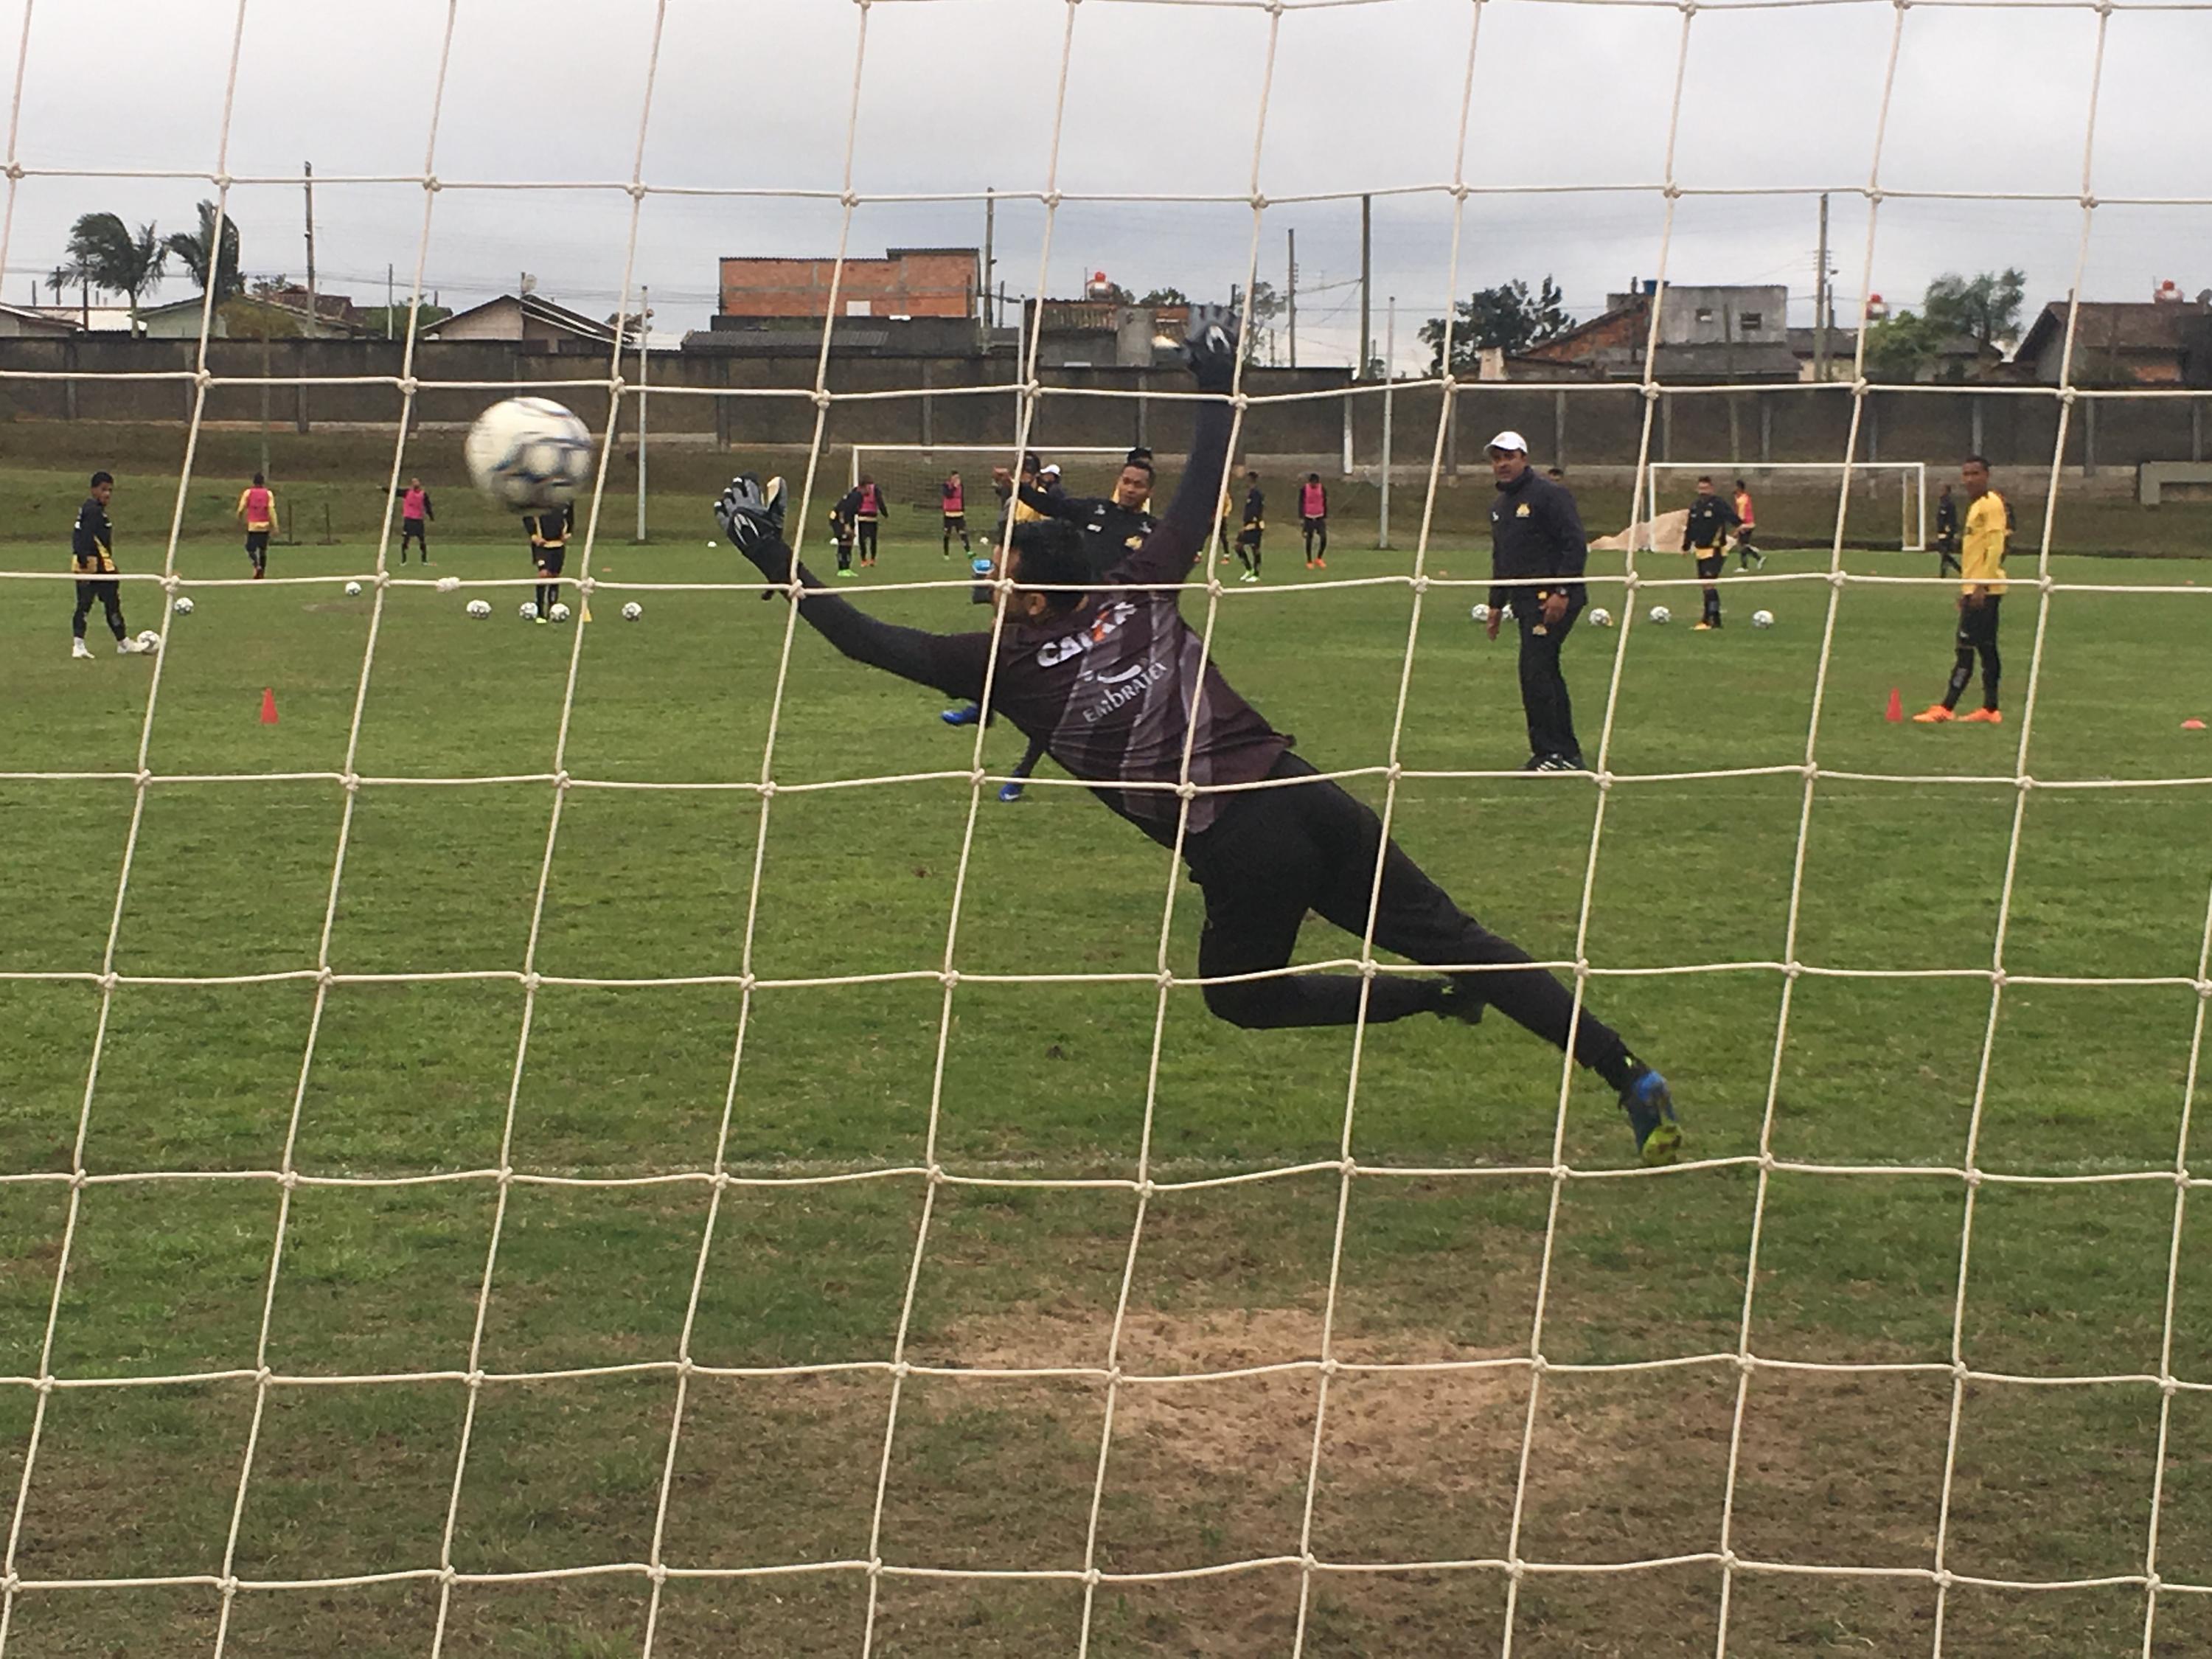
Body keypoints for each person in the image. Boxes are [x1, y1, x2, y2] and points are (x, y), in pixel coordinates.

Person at [714, 315, 1681, 1166]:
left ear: (1036, 591)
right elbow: (1198, 489)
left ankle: (1421, 1002)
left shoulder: (1002, 663)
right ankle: (1626, 1072)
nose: (991, 576)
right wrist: (1216, 385)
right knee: (1466, 938)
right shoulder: (1141, 584)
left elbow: (863, 638)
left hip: (1240, 844)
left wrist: (774, 557)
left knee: (1239, 995)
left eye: (1001, 567)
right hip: (1310, 793)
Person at [990, 452, 1163, 801]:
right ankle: (984, 704)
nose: (1130, 489)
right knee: (1012, 644)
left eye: (1138, 485)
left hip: (1109, 626)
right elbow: (1052, 505)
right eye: (1126, 481)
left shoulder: (1151, 531)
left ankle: (1022, 773)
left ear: (1148, 492)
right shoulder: (1096, 511)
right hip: (1068, 612)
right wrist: (1015, 488)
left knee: (1068, 699)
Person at [1484, 433, 1588, 772]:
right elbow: (1503, 559)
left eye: (1508, 456)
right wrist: (1496, 605)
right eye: (1497, 458)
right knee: (1543, 670)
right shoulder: (1500, 508)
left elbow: (1574, 544)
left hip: (1553, 600)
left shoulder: (1549, 495)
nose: (1502, 464)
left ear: (1524, 458)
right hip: (1525, 603)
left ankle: (1552, 753)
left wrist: (1562, 590)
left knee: (1536, 669)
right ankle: (1566, 751)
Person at [1913, 456, 2009, 726]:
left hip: (1985, 589)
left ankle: (1946, 708)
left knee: (1964, 648)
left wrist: (1981, 585)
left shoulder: (1991, 504)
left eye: (1975, 473)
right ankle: (1991, 709)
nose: (1969, 479)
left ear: (1987, 475)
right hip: (1979, 588)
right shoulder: (1976, 505)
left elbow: (1996, 546)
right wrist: (1969, 587)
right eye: (1966, 474)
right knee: (1987, 649)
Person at [71, 470, 142, 658]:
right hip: (96, 567)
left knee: (106, 604)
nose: (107, 494)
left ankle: (119, 643)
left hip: (100, 565)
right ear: (94, 490)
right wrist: (84, 560)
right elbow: (82, 537)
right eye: (103, 490)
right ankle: (84, 645)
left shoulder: (92, 510)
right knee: (91, 604)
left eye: (110, 490)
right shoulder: (92, 511)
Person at [1680, 476, 1739, 630]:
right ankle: (1715, 619)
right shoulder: (1695, 506)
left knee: (1708, 584)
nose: (1703, 492)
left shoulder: (1718, 504)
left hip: (1716, 550)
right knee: (1705, 585)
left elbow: (1735, 520)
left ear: (1712, 489)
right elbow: (1691, 527)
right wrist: (1686, 546)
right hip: (1700, 551)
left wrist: (1740, 530)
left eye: (1706, 488)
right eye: (1701, 488)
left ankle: (1709, 619)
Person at [526, 502, 571, 622]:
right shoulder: (538, 498)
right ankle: (540, 612)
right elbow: (527, 514)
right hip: (542, 545)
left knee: (554, 576)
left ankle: (553, 610)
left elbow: (570, 515)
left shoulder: (565, 499)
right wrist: (533, 534)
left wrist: (568, 532)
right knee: (543, 574)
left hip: (558, 545)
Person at [236, 471, 278, 579]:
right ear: (263, 482)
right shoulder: (268, 494)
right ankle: (262, 572)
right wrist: (275, 525)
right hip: (265, 526)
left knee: (250, 549)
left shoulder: (248, 493)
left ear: (253, 482)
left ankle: (256, 566)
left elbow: (241, 508)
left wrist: (239, 517)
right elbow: (271, 510)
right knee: (263, 550)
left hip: (253, 526)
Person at [844, 474, 888, 567]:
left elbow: (880, 501)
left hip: (868, 518)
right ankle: (867, 559)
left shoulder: (872, 490)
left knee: (868, 540)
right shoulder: (860, 490)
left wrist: (884, 512)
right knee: (867, 540)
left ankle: (869, 559)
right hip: (864, 518)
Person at [1234, 469, 1265, 583]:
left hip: (1255, 526)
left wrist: (1251, 524)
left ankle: (1256, 574)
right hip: (1249, 525)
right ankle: (1249, 569)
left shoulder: (1257, 494)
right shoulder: (1251, 493)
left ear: (1251, 480)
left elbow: (1256, 511)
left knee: (1253, 549)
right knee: (1240, 547)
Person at [396, 477, 434, 563]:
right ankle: (404, 560)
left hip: (418, 520)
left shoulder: (423, 494)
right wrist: (383, 489)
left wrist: (431, 516)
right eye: (414, 482)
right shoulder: (407, 493)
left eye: (417, 482)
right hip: (409, 519)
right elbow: (396, 492)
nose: (415, 484)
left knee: (422, 539)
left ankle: (424, 560)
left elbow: (427, 505)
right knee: (406, 539)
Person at [1731, 477, 1763, 569]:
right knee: (1742, 544)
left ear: (1739, 488)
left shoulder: (1741, 500)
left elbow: (1742, 516)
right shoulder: (1745, 497)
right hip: (1750, 523)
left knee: (1742, 545)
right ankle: (1749, 563)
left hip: (1746, 524)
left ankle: (1755, 559)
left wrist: (1739, 528)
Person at [1299, 473, 1329, 568]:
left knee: (1324, 538)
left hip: (1319, 517)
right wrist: (1301, 517)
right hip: (1308, 517)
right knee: (1309, 539)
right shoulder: (1304, 489)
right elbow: (1301, 503)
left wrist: (1325, 515)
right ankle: (1309, 561)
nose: (1314, 485)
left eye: (1315, 483)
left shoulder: (1322, 489)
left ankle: (1319, 558)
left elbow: (1325, 501)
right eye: (1312, 483)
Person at [1933, 482, 1961, 577]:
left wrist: (1949, 530)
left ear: (1947, 491)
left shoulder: (1949, 503)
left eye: (1943, 490)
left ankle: (1945, 574)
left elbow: (1952, 518)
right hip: (1941, 531)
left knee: (1944, 551)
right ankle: (1955, 571)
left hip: (1946, 531)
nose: (1940, 492)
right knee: (1943, 552)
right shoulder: (1942, 502)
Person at [941, 470, 970, 557]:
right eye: (955, 478)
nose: (957, 480)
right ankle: (946, 554)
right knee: (947, 534)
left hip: (958, 514)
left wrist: (962, 508)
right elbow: (949, 495)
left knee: (962, 532)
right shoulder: (946, 486)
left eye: (958, 478)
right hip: (949, 514)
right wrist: (954, 487)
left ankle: (968, 551)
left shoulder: (961, 487)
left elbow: (961, 498)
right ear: (951, 478)